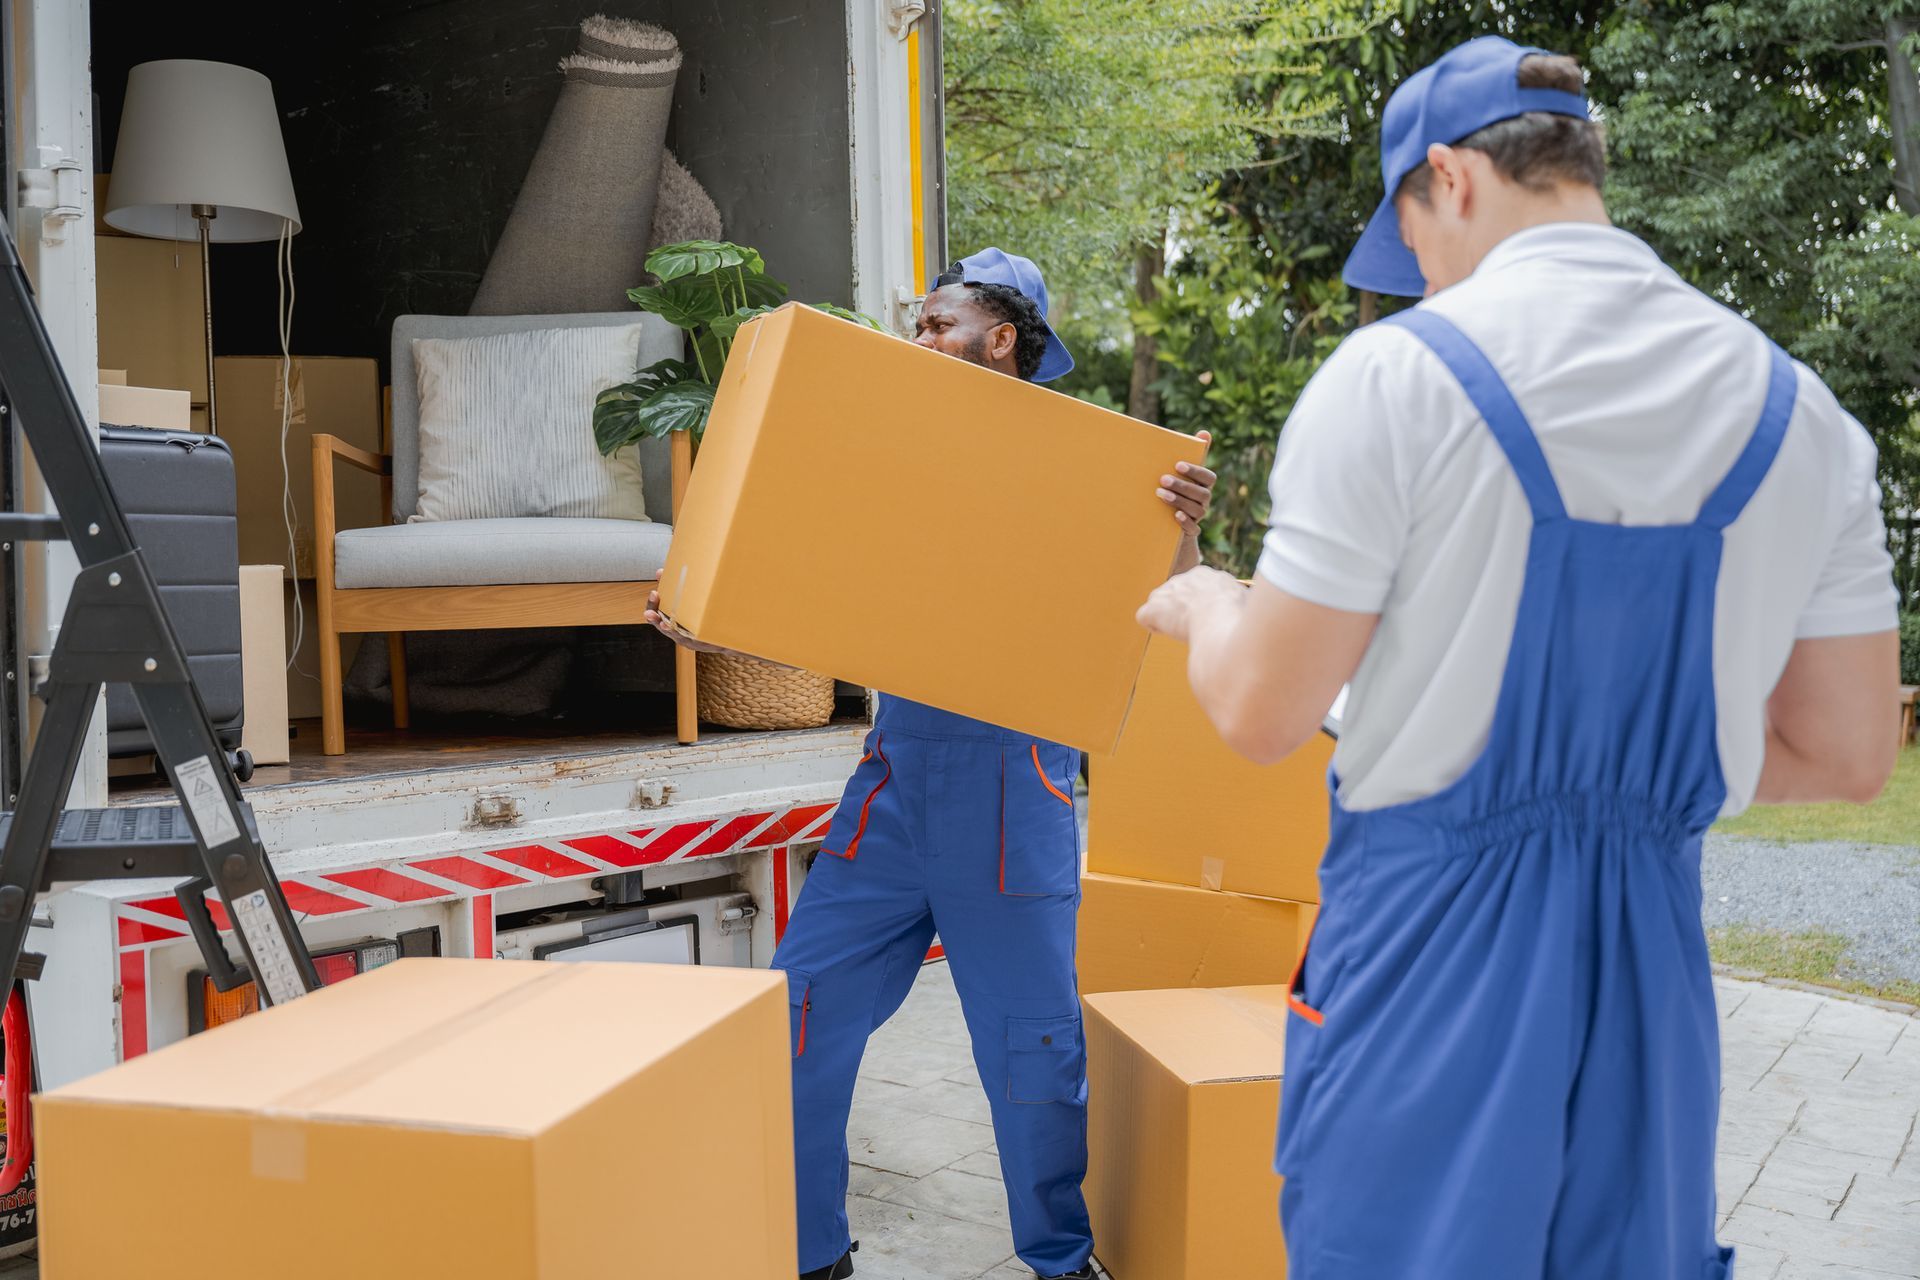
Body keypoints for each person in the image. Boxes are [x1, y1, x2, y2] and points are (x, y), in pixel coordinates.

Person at [1137, 36, 1900, 1280]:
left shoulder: (1396, 382)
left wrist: (1207, 601)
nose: (1424, 279)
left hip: (1430, 956)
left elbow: (1264, 709)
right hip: (1650, 970)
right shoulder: (1798, 411)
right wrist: (1631, 765)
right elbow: (1850, 751)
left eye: (1414, 241)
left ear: (1452, 178)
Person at [649, 248, 1217, 1280]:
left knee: (1032, 1050)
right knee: (798, 1011)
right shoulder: (898, 457)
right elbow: (813, 578)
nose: (917, 338)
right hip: (896, 780)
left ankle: (1059, 1258)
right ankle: (812, 1250)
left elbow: (1164, 609)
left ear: (1000, 338)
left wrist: (1178, 529)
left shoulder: (1088, 471)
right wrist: (708, 607)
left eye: (937, 324)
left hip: (1015, 785)